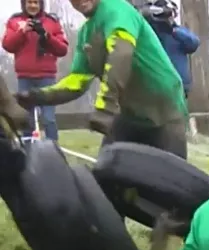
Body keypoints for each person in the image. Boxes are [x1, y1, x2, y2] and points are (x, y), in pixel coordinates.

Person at [15, 0, 189, 159]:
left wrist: (106, 106)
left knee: (175, 185)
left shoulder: (117, 9)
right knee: (108, 173)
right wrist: (33, 96)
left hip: (165, 110)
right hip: (130, 114)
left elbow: (121, 53)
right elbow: (77, 82)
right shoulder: (86, 33)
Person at [2, 0, 68, 142]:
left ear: (41, 4)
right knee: (26, 119)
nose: (33, 6)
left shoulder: (52, 21)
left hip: (47, 77)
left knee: (49, 118)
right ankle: (28, 152)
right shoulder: (15, 21)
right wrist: (22, 31)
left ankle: (53, 150)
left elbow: (63, 49)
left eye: (36, 3)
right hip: (24, 78)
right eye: (29, 2)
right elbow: (7, 45)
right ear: (24, 4)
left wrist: (46, 36)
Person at [139, 0, 199, 98]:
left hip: (179, 85)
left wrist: (173, 30)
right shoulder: (151, 33)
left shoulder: (178, 32)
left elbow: (194, 43)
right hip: (156, 84)